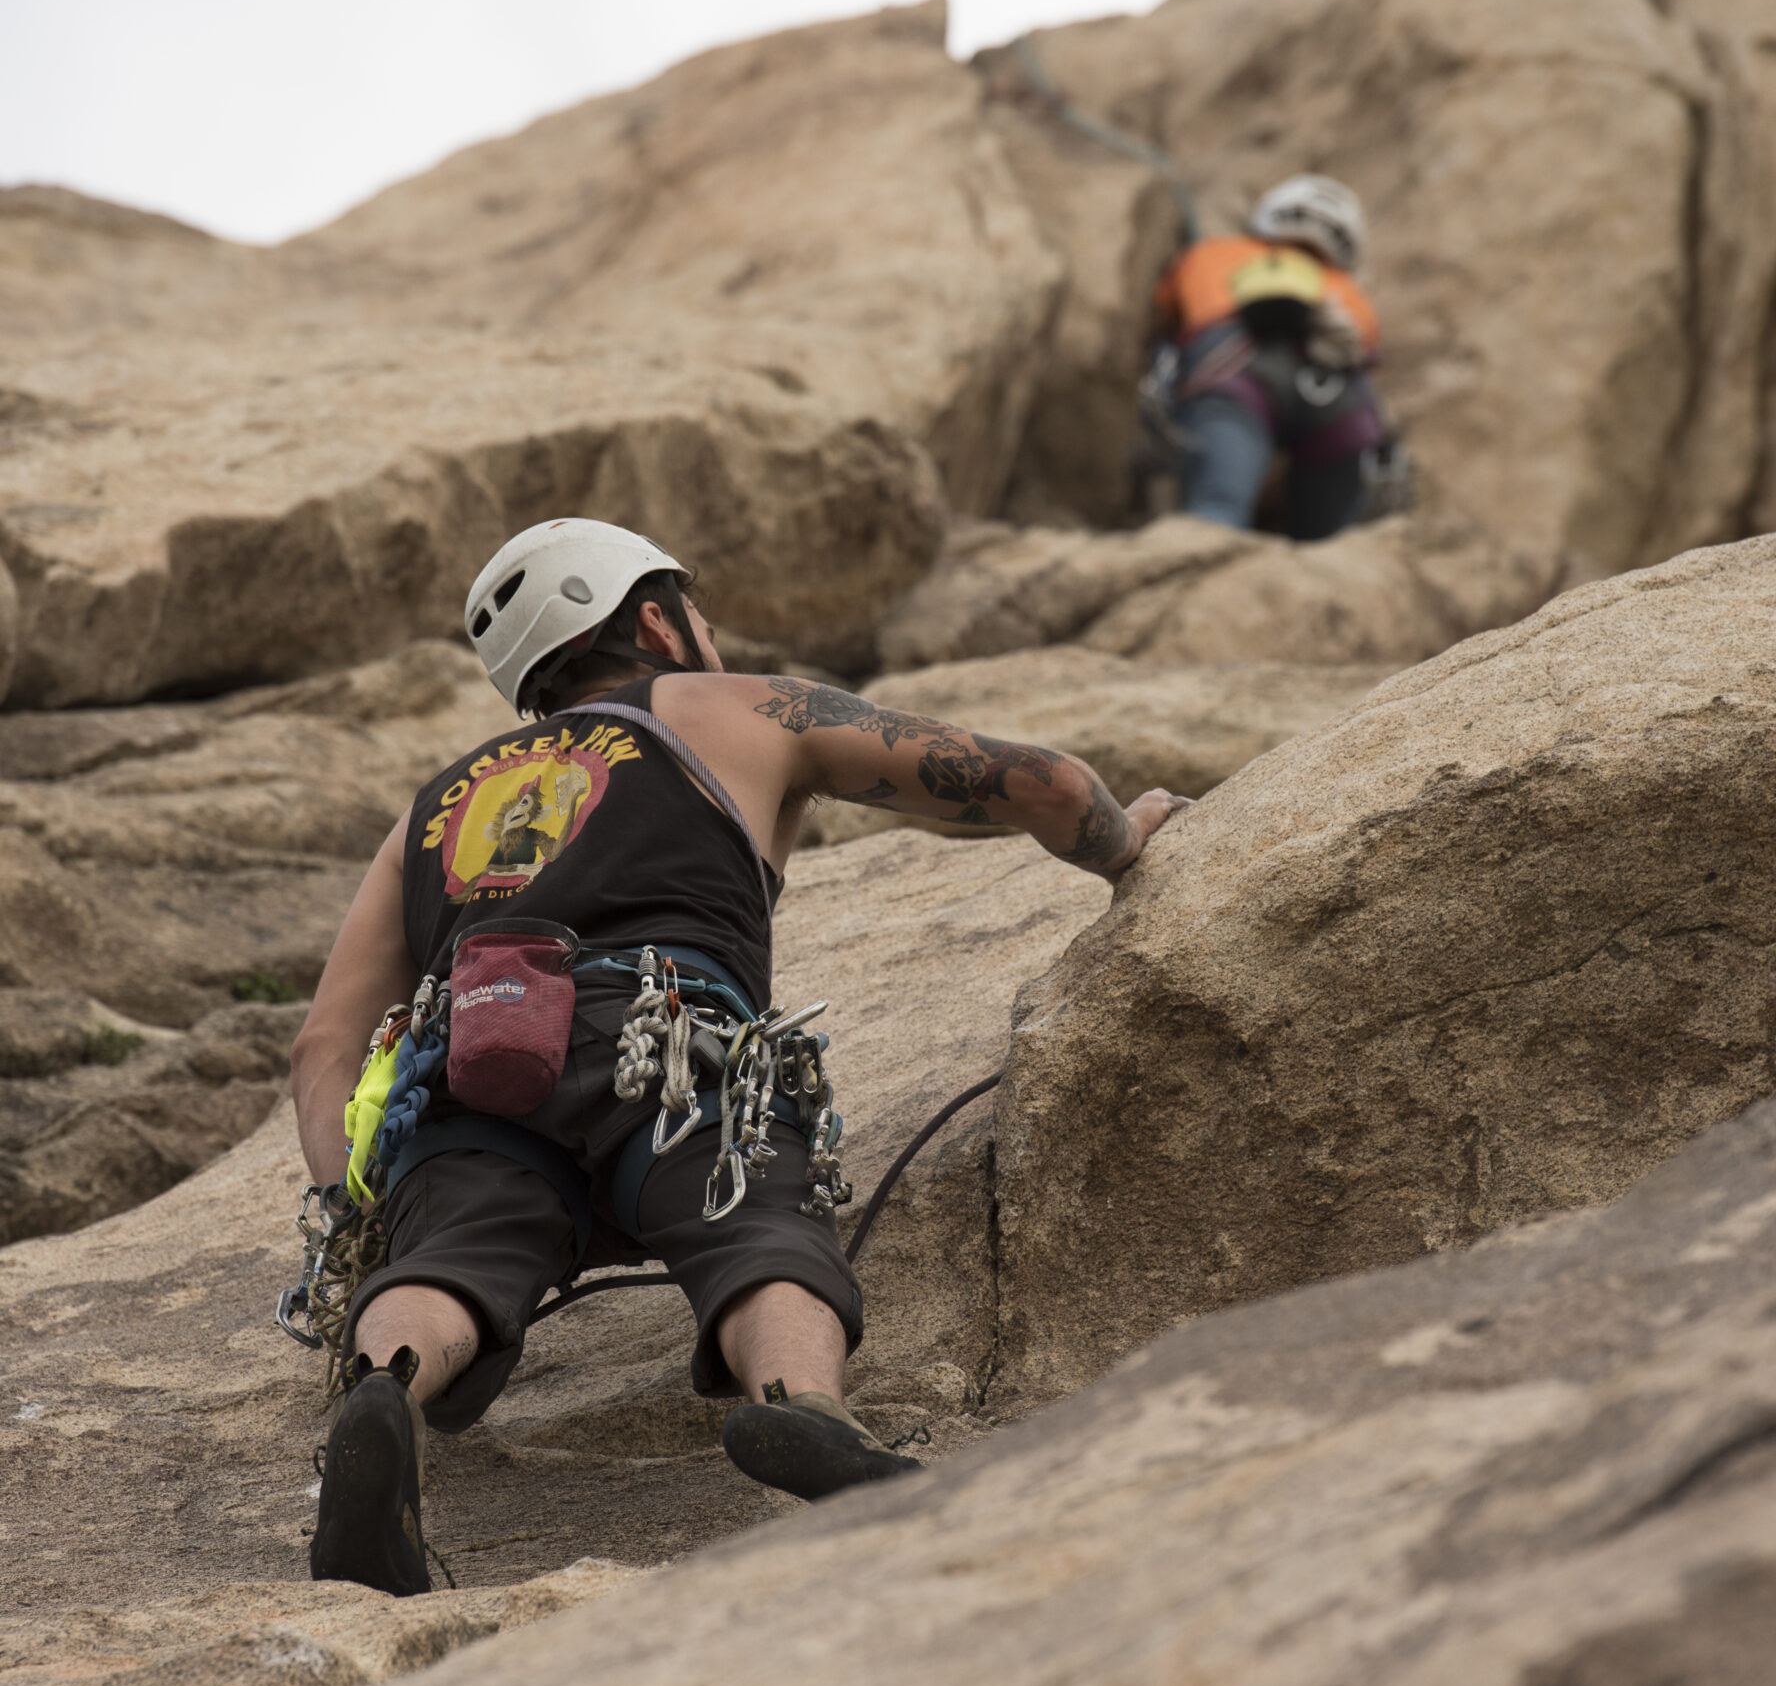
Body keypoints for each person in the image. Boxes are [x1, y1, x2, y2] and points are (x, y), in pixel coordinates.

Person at [293, 517, 1189, 1596]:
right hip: (668, 1044)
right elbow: (1038, 782)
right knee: (760, 1222)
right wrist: (1124, 838)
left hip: (478, 1063)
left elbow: (324, 1045)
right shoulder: (736, 707)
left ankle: (385, 1390)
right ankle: (802, 1410)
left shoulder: (435, 804)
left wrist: (362, 1199)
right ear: (658, 619)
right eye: (695, 612)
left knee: (448, 1256)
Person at [1143, 174, 1400, 539]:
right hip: (1338, 400)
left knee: (1216, 511)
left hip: (1232, 371)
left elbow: (1160, 321)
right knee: (1325, 549)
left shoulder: (1211, 254)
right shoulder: (1349, 292)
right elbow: (1367, 356)